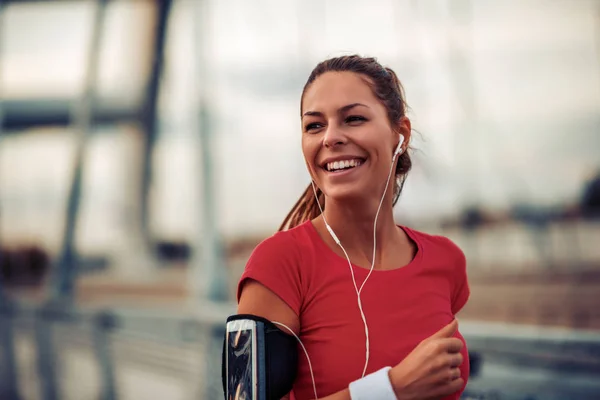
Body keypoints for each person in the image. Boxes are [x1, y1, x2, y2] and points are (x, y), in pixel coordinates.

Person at [236, 55, 470, 400]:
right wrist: (391, 390)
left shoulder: (445, 260)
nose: (331, 137)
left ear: (399, 134)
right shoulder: (279, 263)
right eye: (314, 125)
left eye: (354, 119)